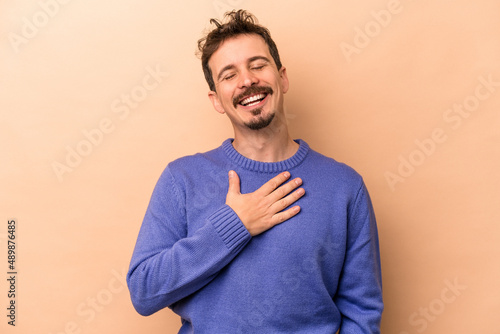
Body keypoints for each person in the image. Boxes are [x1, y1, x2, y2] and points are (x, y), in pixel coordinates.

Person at [127, 9, 383, 333]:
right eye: (229, 74)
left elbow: (362, 311)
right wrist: (234, 225)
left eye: (258, 65)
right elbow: (144, 291)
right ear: (216, 99)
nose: (247, 81)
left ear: (282, 77)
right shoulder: (182, 179)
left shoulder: (345, 188)